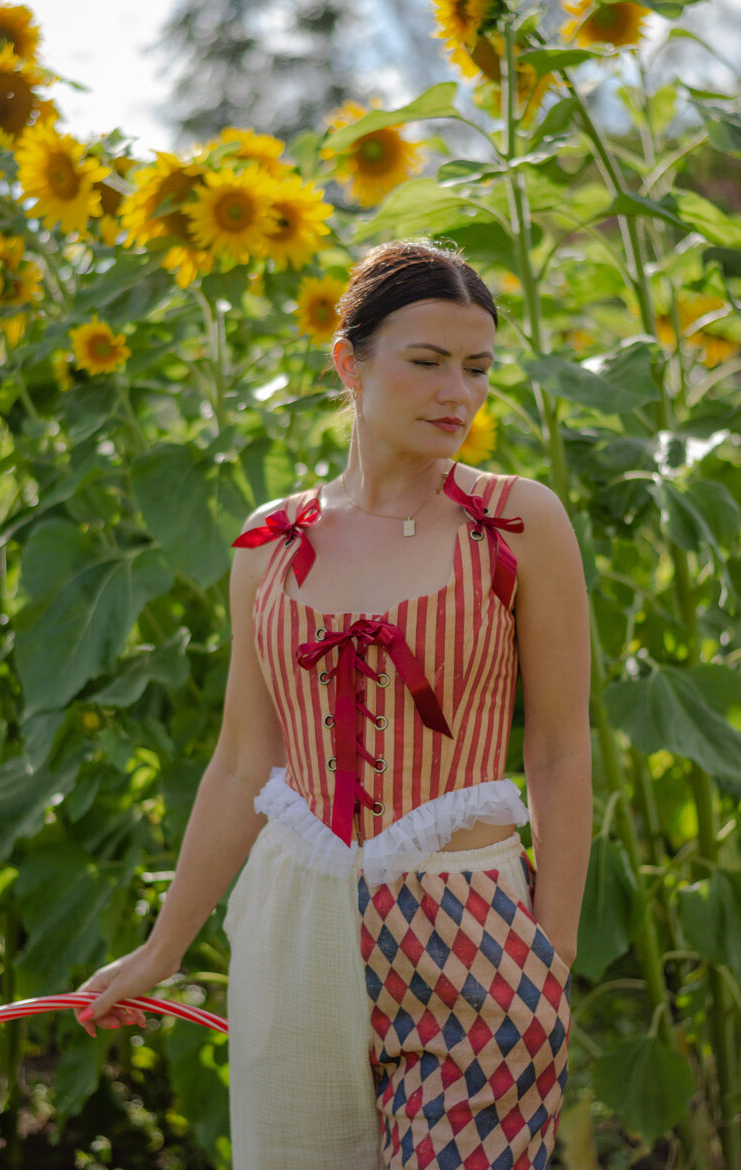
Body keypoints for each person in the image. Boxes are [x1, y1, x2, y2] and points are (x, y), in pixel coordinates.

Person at [76, 239, 593, 1169]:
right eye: (427, 363)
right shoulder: (268, 543)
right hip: (295, 921)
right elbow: (244, 762)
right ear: (348, 365)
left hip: (470, 927)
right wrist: (161, 949)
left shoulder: (518, 521)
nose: (458, 395)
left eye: (477, 369)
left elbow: (559, 747)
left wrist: (548, 954)